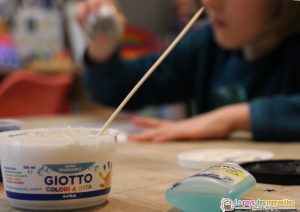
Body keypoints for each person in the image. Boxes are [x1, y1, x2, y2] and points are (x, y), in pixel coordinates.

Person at [77, 0, 300, 142]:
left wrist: (230, 118)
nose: (211, 3)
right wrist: (103, 45)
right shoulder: (206, 44)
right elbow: (117, 91)